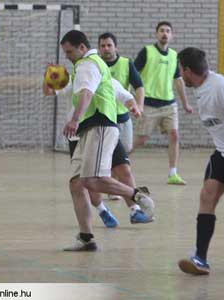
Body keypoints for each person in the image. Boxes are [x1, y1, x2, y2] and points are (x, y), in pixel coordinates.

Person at [58, 30, 154, 251]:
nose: (68, 56)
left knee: (94, 179)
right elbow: (114, 88)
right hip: (86, 130)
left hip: (99, 125)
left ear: (82, 47)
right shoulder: (92, 65)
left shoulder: (87, 64)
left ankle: (137, 196)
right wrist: (130, 103)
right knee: (76, 183)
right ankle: (86, 238)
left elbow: (87, 93)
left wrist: (73, 119)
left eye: (69, 51)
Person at [177, 47, 224, 275]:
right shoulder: (200, 87)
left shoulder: (221, 88)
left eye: (180, 70)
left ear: (188, 71)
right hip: (223, 153)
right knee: (207, 196)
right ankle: (200, 258)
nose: (180, 75)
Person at [44, 78, 153, 226]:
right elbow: (49, 91)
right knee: (85, 179)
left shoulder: (109, 81)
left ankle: (135, 210)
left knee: (124, 170)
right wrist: (48, 77)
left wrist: (134, 106)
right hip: (79, 135)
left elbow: (126, 97)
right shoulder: (76, 81)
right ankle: (103, 210)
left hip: (105, 130)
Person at [133, 21, 193, 185]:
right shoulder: (147, 52)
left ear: (172, 35)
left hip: (169, 104)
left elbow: (178, 80)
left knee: (174, 134)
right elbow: (132, 73)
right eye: (161, 31)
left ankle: (173, 173)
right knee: (142, 139)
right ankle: (116, 163)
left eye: (168, 31)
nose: (164, 33)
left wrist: (185, 103)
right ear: (156, 34)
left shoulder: (174, 55)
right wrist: (133, 100)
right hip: (149, 104)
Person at [98, 32, 145, 153]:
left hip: (122, 117)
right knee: (104, 154)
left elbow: (139, 86)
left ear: (116, 47)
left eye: (109, 45)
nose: (106, 48)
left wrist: (139, 106)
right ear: (99, 48)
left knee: (124, 152)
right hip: (102, 118)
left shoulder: (126, 63)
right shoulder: (95, 65)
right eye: (102, 46)